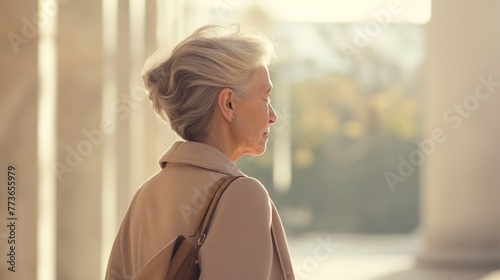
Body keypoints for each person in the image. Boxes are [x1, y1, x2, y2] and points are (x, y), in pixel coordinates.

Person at [105, 24, 295, 280]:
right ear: (228, 104)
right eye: (265, 98)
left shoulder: (146, 195)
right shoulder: (243, 196)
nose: (272, 117)